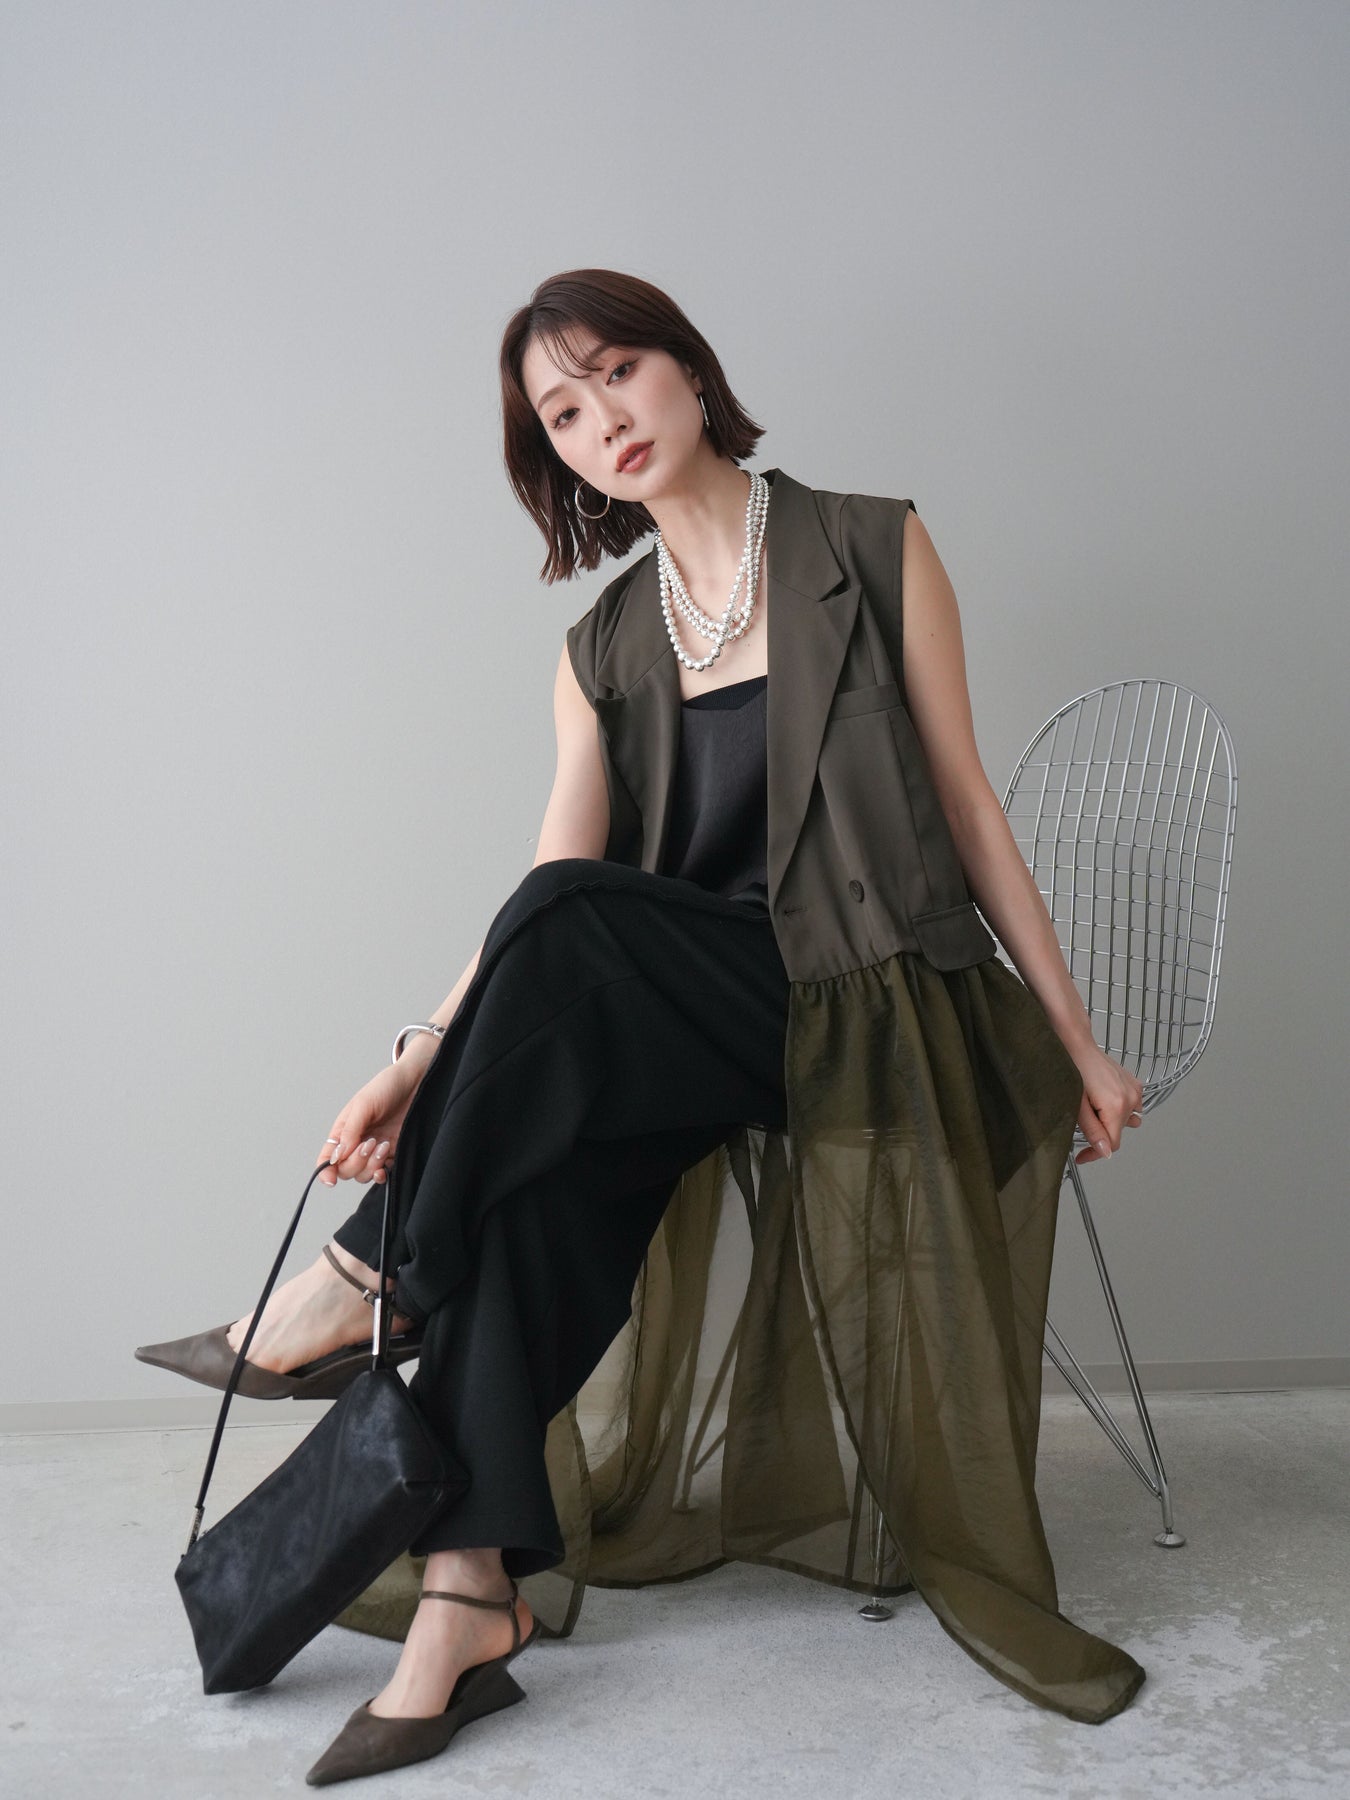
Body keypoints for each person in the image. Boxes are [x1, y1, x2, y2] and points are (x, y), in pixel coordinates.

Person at [137, 267, 1147, 1783]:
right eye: (562, 412)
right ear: (550, 457)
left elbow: (965, 804)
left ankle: (365, 1281)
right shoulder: (601, 649)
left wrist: (1077, 1040)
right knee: (530, 1181)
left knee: (565, 928)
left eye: (616, 372)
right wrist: (416, 1057)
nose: (600, 418)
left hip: (873, 1001)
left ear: (688, 368)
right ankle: (468, 1602)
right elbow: (546, 899)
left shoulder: (869, 544)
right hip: (699, 1022)